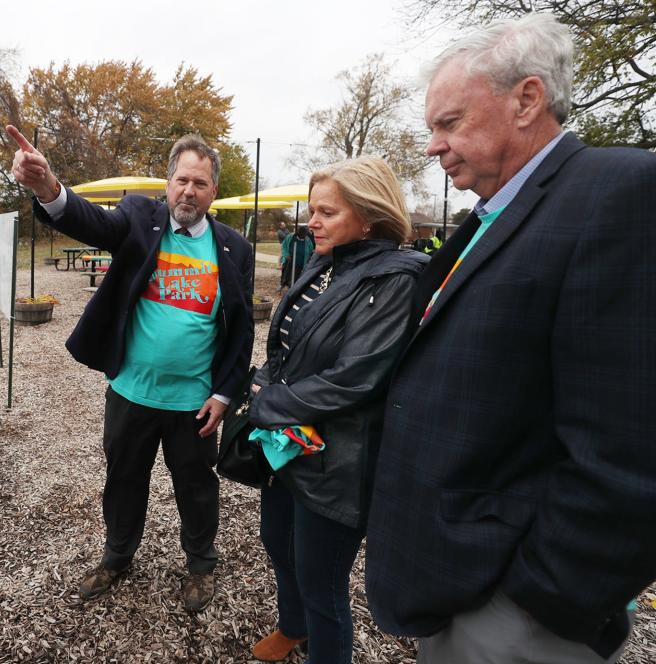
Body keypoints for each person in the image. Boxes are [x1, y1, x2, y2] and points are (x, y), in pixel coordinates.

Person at [365, 13, 656, 663]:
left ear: (527, 100)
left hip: (516, 616)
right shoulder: (488, 220)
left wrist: (535, 607)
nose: (434, 146)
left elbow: (632, 451)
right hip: (451, 590)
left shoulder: (618, 193)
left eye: (449, 122)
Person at [7, 126, 254, 613]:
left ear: (213, 192)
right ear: (168, 184)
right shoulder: (140, 219)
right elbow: (90, 222)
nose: (189, 191)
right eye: (182, 180)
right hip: (132, 393)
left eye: (200, 184)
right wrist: (47, 188)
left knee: (197, 487)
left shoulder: (233, 249)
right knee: (123, 480)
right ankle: (118, 556)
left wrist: (225, 395)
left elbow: (241, 330)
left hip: (194, 403)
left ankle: (201, 564)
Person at [246, 156, 428, 663]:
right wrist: (262, 380)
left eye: (327, 212)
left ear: (368, 216)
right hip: (292, 444)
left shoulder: (396, 278)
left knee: (322, 580)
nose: (312, 221)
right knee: (278, 543)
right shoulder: (326, 262)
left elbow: (358, 378)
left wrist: (268, 403)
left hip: (340, 459)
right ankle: (293, 627)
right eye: (312, 209)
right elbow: (286, 345)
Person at [278, 224, 315, 289]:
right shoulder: (290, 237)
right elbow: (284, 246)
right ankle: (282, 284)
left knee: (295, 277)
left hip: (300, 263)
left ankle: (291, 289)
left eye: (304, 236)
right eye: (302, 236)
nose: (303, 237)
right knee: (285, 274)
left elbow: (311, 250)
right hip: (289, 260)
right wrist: (286, 255)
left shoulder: (307, 240)